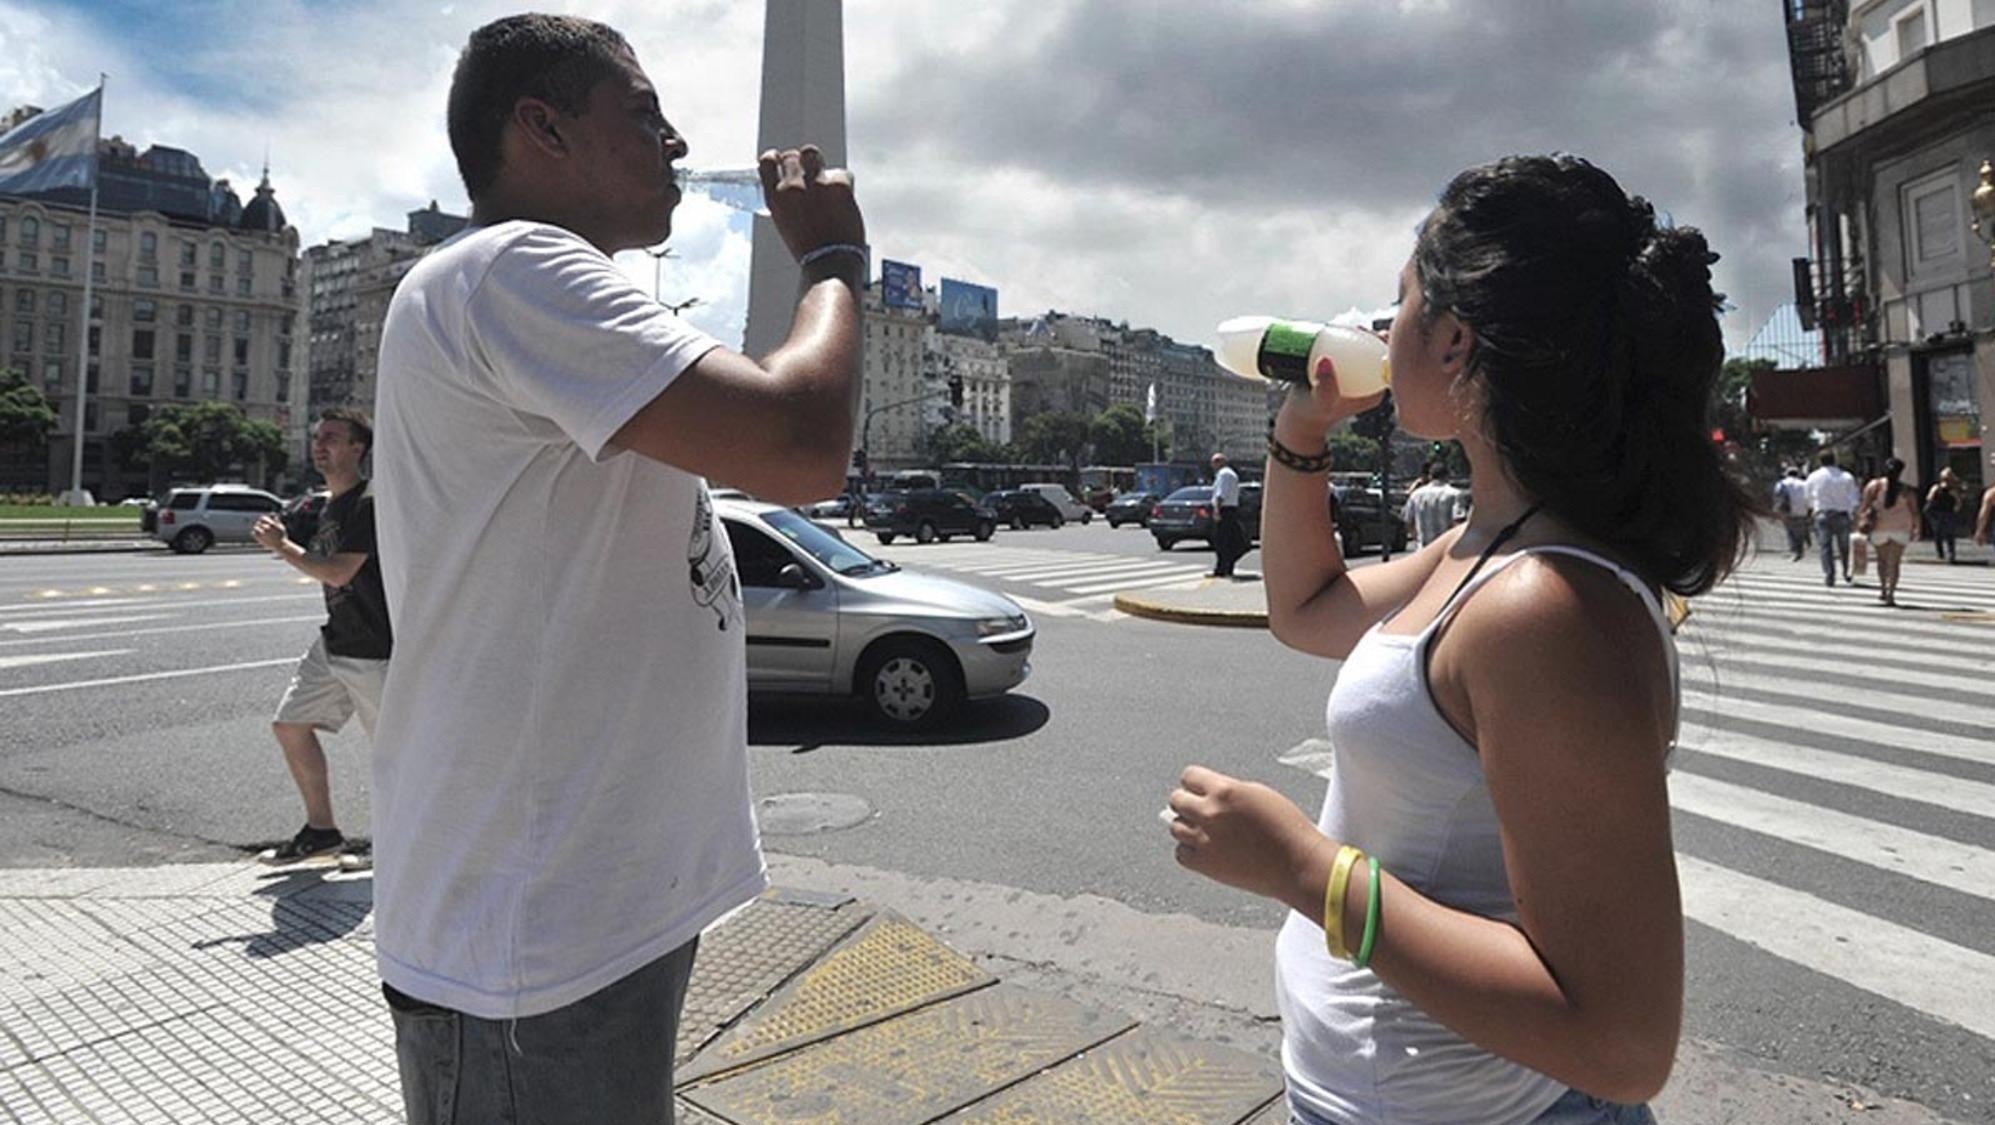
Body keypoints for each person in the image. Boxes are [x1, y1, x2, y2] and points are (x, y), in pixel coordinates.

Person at [1167, 155, 1754, 1124]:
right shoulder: (1489, 545)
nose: (1377, 326)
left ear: (1451, 341)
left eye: (1398, 301)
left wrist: (1302, 870)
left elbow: (1622, 1041)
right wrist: (1302, 432)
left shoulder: (1543, 607)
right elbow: (1307, 606)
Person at [370, 15, 865, 1124]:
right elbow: (799, 444)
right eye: (642, 114)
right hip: (529, 949)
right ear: (539, 127)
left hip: (578, 921)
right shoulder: (514, 267)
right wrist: (832, 258)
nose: (678, 139)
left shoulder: (534, 292)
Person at [250, 407, 390, 868]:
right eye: (317, 438)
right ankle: (322, 832)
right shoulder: (333, 505)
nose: (320, 445)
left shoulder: (370, 502)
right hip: (336, 643)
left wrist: (284, 547)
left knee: (395, 755)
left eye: (332, 437)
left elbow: (337, 571)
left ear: (358, 448)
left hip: (377, 650)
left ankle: (396, 845)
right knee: (290, 725)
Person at [1858, 457, 1920, 607]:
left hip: (1879, 528)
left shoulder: (1875, 486)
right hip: (1901, 529)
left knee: (1882, 561)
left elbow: (1864, 507)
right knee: (1895, 564)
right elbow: (1914, 511)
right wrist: (1917, 528)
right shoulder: (1906, 489)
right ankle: (1891, 594)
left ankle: (1883, 590)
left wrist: (1860, 523)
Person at [1805, 449, 1861, 587]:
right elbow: (1854, 498)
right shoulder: (1846, 476)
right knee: (1845, 546)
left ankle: (1829, 575)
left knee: (1825, 546)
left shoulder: (1813, 476)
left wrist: (1813, 509)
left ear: (1820, 461)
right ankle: (1846, 572)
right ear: (1835, 460)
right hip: (1842, 514)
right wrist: (1853, 513)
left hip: (1822, 514)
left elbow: (1808, 496)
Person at [1403, 459, 1467, 550]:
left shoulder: (1416, 495)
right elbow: (1458, 522)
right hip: (1446, 550)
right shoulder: (1455, 494)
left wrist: (1417, 538)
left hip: (1423, 550)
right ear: (1447, 476)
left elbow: (1408, 521)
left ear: (1430, 476)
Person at [1210, 451, 1246, 577]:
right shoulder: (1231, 474)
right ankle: (1227, 566)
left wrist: (1216, 511)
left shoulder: (1224, 474)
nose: (1212, 465)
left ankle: (1222, 568)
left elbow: (1221, 494)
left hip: (1225, 510)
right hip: (1231, 509)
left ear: (1220, 462)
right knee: (1230, 540)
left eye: (1214, 462)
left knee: (1221, 541)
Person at [1771, 465, 1810, 561]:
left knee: (1790, 532)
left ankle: (1795, 551)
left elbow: (1777, 497)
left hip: (1787, 511)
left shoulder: (1781, 483)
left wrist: (1777, 511)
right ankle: (1799, 550)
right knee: (1799, 532)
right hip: (1802, 511)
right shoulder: (1804, 484)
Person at [1924, 467, 1961, 563]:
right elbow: (1929, 499)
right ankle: (1941, 553)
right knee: (1938, 533)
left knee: (1949, 534)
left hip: (1947, 513)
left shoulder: (1953, 490)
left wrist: (1955, 510)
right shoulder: (1937, 488)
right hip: (1938, 513)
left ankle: (1950, 554)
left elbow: (1958, 502)